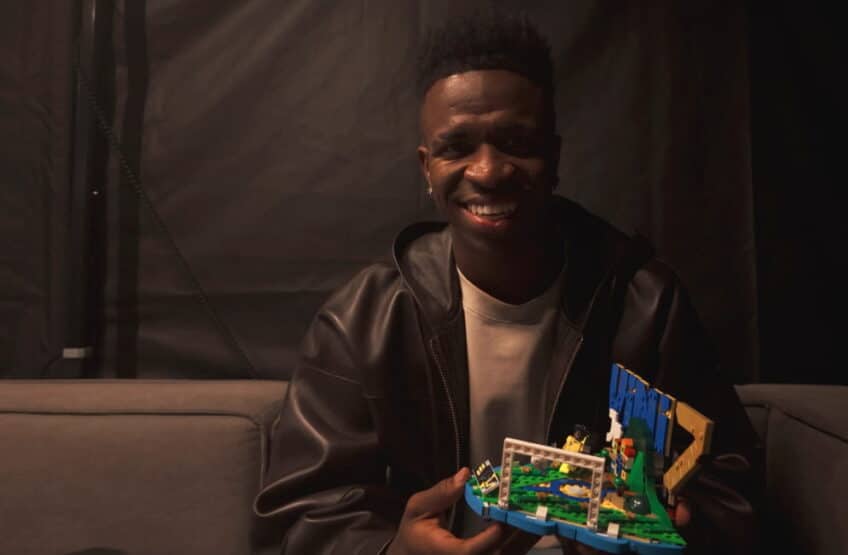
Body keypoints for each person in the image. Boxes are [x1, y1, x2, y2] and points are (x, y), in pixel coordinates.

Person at [255, 11, 760, 555]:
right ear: (427, 169)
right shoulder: (363, 320)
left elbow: (731, 489)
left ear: (555, 157)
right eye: (458, 147)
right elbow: (297, 517)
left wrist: (671, 530)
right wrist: (392, 552)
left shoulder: (646, 304)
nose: (489, 171)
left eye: (516, 142)